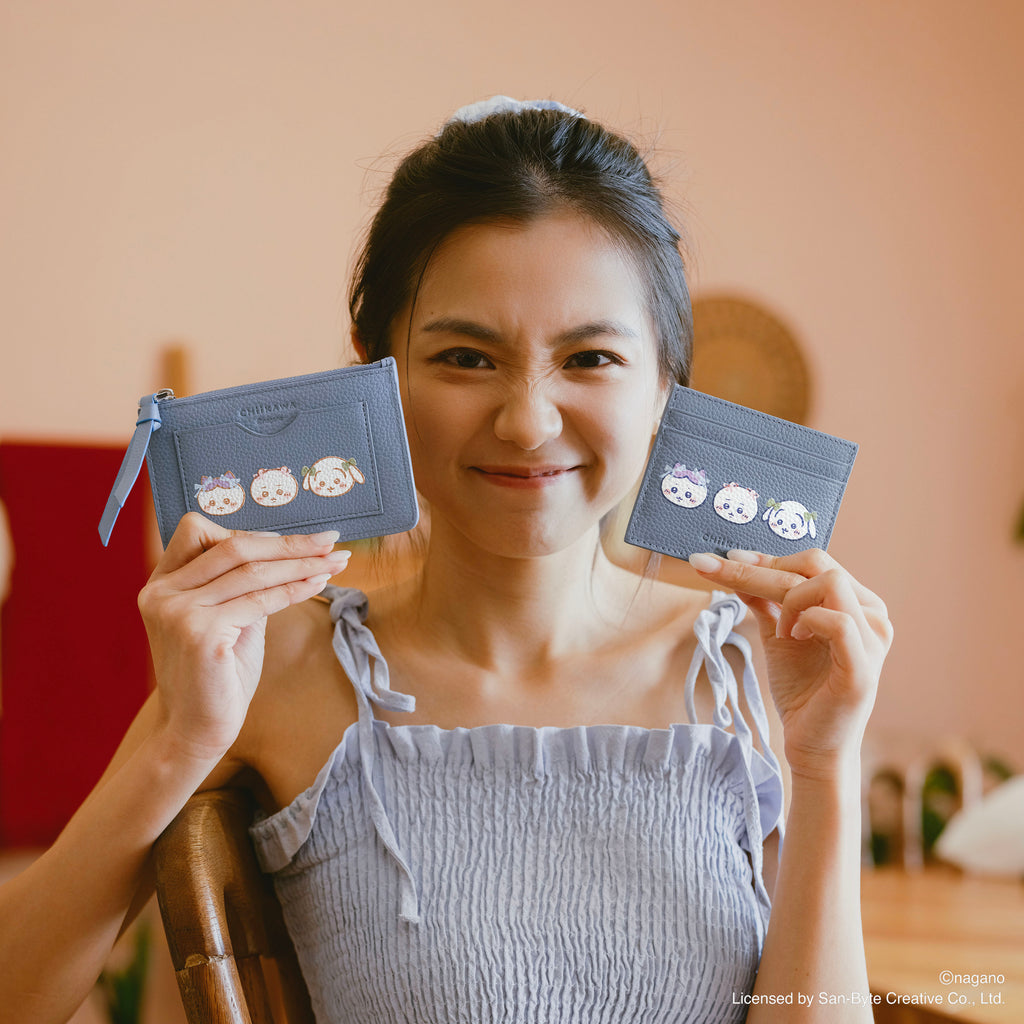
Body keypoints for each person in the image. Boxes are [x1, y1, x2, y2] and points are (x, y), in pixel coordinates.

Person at [0, 97, 892, 1023]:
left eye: (589, 358)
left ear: (666, 385)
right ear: (372, 381)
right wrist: (179, 743)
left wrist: (827, 770)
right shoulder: (280, 666)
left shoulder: (762, 672)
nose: (528, 421)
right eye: (467, 358)